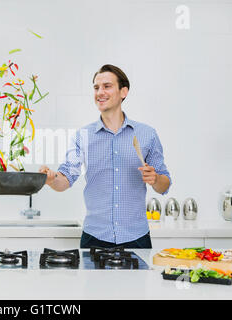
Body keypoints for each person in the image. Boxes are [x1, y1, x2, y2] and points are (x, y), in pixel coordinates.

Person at [39, 64, 171, 249]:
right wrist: (51, 179)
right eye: (96, 87)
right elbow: (66, 179)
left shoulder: (146, 134)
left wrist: (155, 178)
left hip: (136, 237)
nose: (100, 92)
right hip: (95, 237)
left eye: (107, 86)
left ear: (123, 91)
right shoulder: (83, 136)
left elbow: (165, 184)